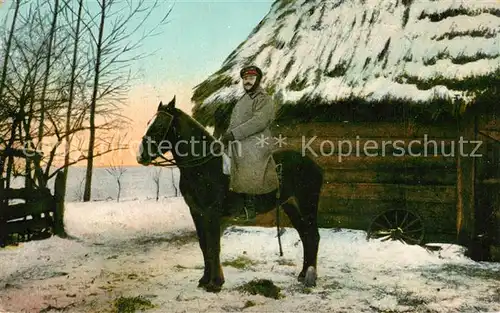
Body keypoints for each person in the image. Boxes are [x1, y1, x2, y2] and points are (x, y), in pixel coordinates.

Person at [219, 65, 279, 220]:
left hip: (257, 142)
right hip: (240, 140)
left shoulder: (263, 99)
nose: (247, 81)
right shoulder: (243, 100)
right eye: (245, 78)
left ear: (258, 80)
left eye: (251, 78)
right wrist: (225, 137)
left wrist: (234, 134)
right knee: (222, 162)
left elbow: (259, 121)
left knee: (247, 159)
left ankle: (250, 208)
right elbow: (235, 123)